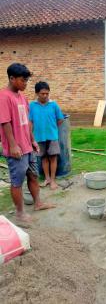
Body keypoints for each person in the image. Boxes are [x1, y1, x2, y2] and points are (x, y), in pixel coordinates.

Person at [0, 63, 55, 224]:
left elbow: (27, 122)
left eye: (26, 81)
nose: (25, 84)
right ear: (12, 78)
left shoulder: (22, 97)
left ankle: (38, 203)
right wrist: (12, 145)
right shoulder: (4, 97)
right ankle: (19, 214)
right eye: (23, 80)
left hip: (27, 146)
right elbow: (5, 122)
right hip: (16, 148)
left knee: (33, 175)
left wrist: (32, 140)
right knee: (17, 181)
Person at [29, 81, 64, 190]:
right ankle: (47, 179)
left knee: (53, 158)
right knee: (43, 158)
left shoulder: (53, 105)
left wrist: (52, 128)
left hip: (52, 136)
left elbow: (60, 119)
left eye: (47, 93)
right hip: (39, 137)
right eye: (42, 93)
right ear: (36, 93)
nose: (45, 96)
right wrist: (30, 136)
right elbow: (30, 121)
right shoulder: (32, 106)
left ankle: (53, 180)